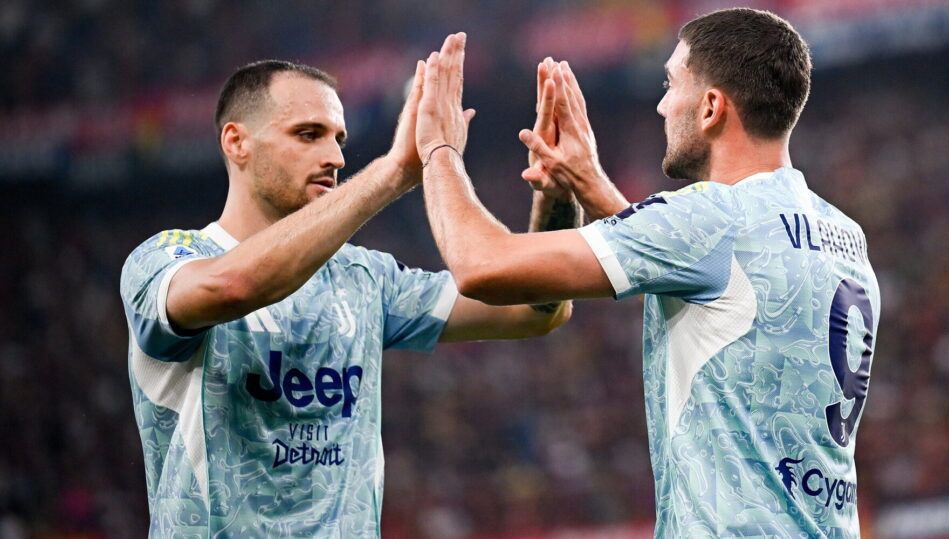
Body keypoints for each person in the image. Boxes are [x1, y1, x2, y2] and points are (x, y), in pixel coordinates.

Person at [416, 8, 880, 537]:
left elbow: (480, 266)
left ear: (711, 107)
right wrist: (588, 182)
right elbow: (712, 290)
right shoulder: (843, 234)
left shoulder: (710, 217)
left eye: (670, 83)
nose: (661, 104)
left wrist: (438, 149)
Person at [119, 59, 578, 537]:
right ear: (237, 142)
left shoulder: (365, 278)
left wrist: (560, 196)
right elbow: (233, 286)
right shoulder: (165, 260)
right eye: (308, 134)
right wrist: (393, 172)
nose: (336, 157)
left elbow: (536, 310)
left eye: (338, 139)